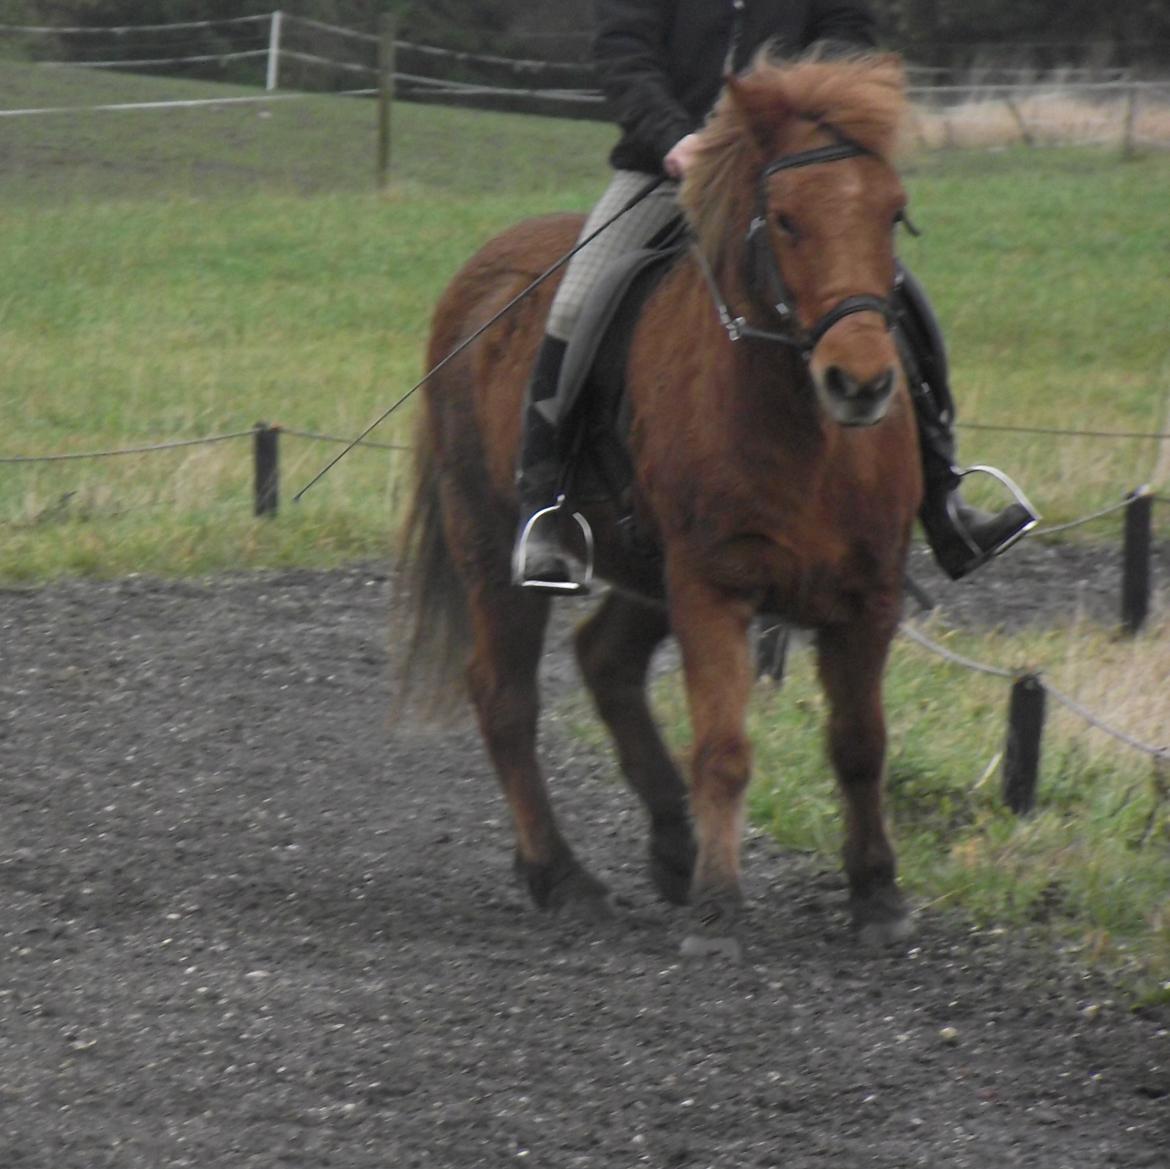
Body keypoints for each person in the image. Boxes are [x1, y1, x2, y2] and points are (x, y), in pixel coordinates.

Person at [513, 0, 1037, 589]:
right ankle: (547, 507)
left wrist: (818, 116)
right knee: (577, 302)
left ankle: (944, 497)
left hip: (793, 171)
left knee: (890, 296)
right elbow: (624, 54)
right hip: (668, 170)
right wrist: (673, 137)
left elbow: (848, 34)